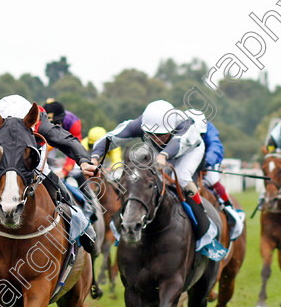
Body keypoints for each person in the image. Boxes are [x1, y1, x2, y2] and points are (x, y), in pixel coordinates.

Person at [0, 94, 99, 261]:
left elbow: (65, 140)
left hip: (28, 155)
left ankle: (82, 226)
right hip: (1, 156)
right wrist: (5, 143)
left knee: (55, 185)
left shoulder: (38, 117)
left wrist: (83, 160)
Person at [90, 100, 227, 260]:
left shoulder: (184, 124)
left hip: (190, 150)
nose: (157, 139)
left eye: (161, 135)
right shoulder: (139, 124)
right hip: (162, 154)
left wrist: (162, 156)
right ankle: (124, 224)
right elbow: (109, 138)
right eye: (152, 135)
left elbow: (178, 143)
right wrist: (94, 158)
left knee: (182, 178)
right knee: (138, 179)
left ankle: (206, 234)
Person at [184, 109, 245, 240]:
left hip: (207, 159)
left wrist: (206, 162)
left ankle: (229, 207)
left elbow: (216, 147)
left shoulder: (209, 129)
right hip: (186, 160)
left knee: (212, 180)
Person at [43, 99, 83, 178]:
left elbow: (74, 150)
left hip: (67, 140)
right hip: (49, 141)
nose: (53, 126)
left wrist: (64, 172)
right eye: (50, 123)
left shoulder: (74, 123)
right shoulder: (40, 120)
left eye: (56, 123)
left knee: (76, 169)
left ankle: (85, 189)